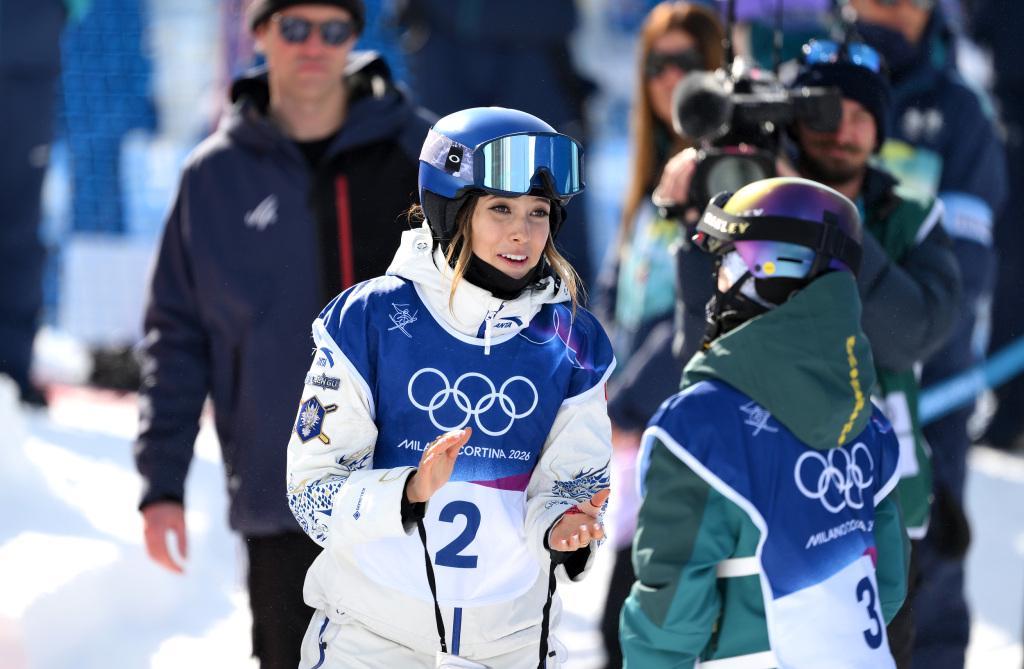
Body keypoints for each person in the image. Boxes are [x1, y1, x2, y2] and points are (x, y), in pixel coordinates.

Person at [133, 1, 433, 667]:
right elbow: (177, 338)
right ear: (260, 31)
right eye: (294, 26)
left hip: (416, 492)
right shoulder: (213, 176)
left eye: (334, 29)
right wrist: (162, 482)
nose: (313, 45)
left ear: (356, 37)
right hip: (283, 498)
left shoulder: (424, 156)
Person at [285, 106, 615, 668]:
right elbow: (311, 494)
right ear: (451, 211)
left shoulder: (571, 340)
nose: (522, 231)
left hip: (509, 643)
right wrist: (408, 490)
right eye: (500, 208)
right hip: (373, 640)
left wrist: (566, 523)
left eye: (539, 212)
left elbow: (575, 481)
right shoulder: (369, 319)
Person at [621, 176, 910, 668]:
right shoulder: (868, 418)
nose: (719, 281)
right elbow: (890, 583)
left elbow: (669, 616)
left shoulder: (698, 427)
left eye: (730, 262)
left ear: (767, 275)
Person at [850, 2, 1007, 665]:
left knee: (927, 581)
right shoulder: (803, 80)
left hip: (929, 391)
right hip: (817, 383)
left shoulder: (960, 113)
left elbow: (960, 284)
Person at [592, 3, 723, 666]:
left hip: (689, 435)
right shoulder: (652, 175)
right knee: (624, 631)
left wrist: (625, 402)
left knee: (640, 632)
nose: (670, 78)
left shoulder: (728, 175)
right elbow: (616, 292)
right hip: (638, 437)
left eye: (687, 64)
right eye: (657, 64)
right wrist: (588, 374)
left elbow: (707, 311)